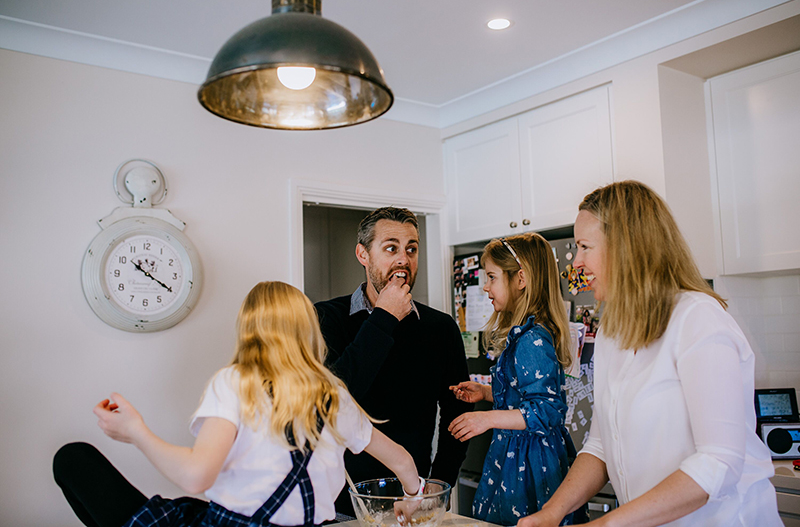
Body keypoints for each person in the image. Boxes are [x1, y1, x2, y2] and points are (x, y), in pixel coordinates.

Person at [518, 180, 781, 527]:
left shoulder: (698, 320)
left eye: (585, 246)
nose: (577, 262)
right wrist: (551, 513)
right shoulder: (613, 328)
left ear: (626, 247)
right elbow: (599, 446)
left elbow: (720, 461)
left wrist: (606, 524)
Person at [53, 281, 424, 527]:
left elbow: (197, 476)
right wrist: (412, 498)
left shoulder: (236, 382)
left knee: (72, 459)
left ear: (248, 329)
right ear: (308, 329)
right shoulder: (333, 394)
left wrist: (136, 431)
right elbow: (404, 462)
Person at [314, 207, 472, 515]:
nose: (403, 259)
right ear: (363, 254)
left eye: (411, 249)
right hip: (339, 504)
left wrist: (438, 486)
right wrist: (384, 318)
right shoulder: (325, 318)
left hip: (414, 500)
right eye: (391, 248)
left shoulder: (440, 328)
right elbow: (334, 401)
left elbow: (458, 413)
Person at [449, 233, 579, 526]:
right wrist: (485, 392)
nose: (485, 286)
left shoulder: (533, 340)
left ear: (520, 279)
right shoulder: (523, 335)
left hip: (529, 464)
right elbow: (523, 395)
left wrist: (487, 419)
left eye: (492, 277)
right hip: (513, 455)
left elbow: (547, 410)